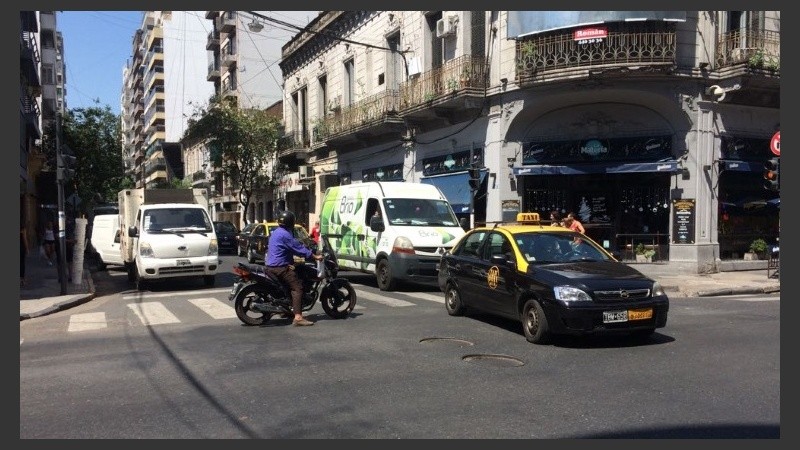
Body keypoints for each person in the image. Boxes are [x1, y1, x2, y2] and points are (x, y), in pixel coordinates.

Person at [265, 210, 323, 326]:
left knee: (292, 280)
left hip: (272, 265)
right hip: (280, 267)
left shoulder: (276, 232)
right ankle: (298, 317)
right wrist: (314, 256)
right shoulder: (286, 234)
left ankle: (287, 310)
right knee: (297, 288)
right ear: (291, 222)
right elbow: (297, 247)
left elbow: (286, 249)